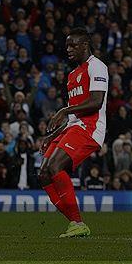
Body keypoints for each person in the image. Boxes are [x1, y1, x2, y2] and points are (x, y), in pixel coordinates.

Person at [39, 28, 108, 238]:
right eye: (67, 45)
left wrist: (64, 110)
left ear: (85, 45)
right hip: (74, 126)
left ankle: (77, 222)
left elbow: (96, 102)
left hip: (90, 127)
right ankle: (75, 222)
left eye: (73, 45)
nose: (68, 49)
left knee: (55, 166)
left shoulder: (96, 66)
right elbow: (73, 117)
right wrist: (52, 135)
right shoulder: (71, 76)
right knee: (43, 173)